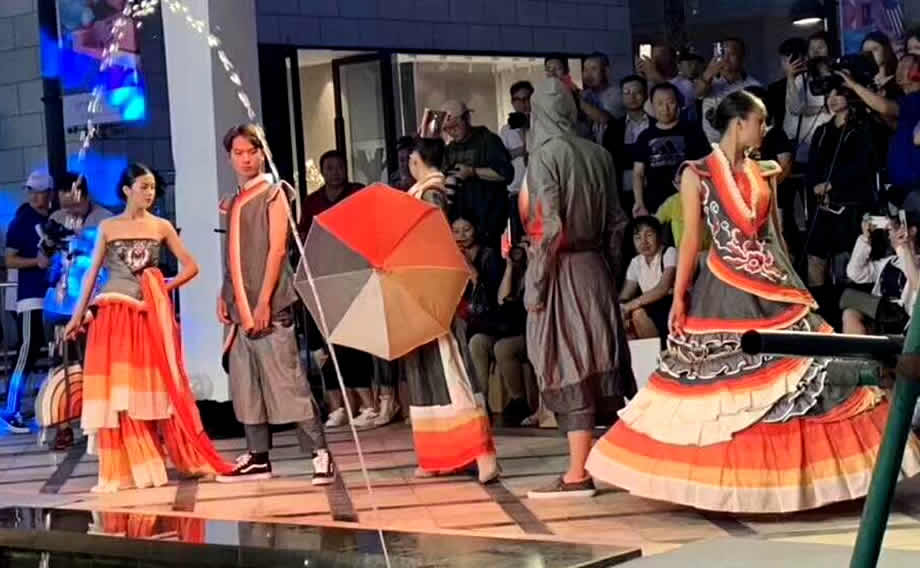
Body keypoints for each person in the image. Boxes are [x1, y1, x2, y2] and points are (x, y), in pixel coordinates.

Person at [585, 90, 920, 513]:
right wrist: (679, 296)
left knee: (802, 374)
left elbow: (776, 235)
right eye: (760, 121)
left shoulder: (765, 171)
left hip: (773, 286)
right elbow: (691, 241)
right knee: (727, 389)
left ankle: (805, 480)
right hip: (723, 290)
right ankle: (732, 486)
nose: (765, 129)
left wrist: (794, 284)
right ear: (738, 123)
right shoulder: (698, 174)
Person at [64, 163, 232, 493]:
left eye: (153, 187)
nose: (150, 193)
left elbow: (191, 267)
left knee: (148, 388)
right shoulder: (109, 227)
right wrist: (77, 315)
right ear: (127, 190)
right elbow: (92, 275)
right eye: (144, 187)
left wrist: (161, 287)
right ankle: (126, 467)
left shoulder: (160, 226)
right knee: (118, 391)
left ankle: (152, 458)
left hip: (145, 315)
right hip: (112, 313)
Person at [522, 78, 635, 499]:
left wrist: (535, 282)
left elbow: (550, 225)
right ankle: (597, 465)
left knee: (566, 361)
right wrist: (611, 271)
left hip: (561, 269)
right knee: (596, 361)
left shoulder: (544, 156)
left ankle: (576, 473)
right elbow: (618, 222)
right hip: (596, 269)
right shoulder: (599, 154)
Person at [217, 124, 334, 485]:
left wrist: (264, 301)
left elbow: (277, 250)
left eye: (251, 152)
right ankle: (258, 456)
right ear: (230, 157)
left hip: (270, 303)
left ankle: (319, 453)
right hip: (239, 305)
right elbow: (234, 253)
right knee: (246, 383)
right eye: (238, 153)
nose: (246, 159)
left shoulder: (274, 193)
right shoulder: (235, 200)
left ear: (262, 153)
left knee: (288, 381)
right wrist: (225, 292)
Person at [404, 137, 499, 484]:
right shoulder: (423, 192)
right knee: (427, 373)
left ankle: (481, 453)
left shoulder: (432, 193)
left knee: (452, 371)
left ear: (416, 160)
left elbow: (438, 241)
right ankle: (441, 455)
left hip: (435, 292)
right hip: (417, 290)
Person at [300, 150, 375, 429]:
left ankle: (367, 404)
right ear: (322, 172)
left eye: (339, 167)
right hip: (323, 278)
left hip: (354, 275)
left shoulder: (358, 193)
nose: (335, 172)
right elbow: (304, 236)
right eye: (329, 168)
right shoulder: (312, 202)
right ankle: (337, 407)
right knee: (325, 344)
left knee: (353, 342)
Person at [2, 170, 54, 433]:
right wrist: (37, 262)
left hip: (53, 295)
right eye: (31, 191)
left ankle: (51, 404)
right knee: (27, 350)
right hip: (31, 295)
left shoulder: (53, 218)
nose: (35, 196)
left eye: (39, 191)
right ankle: (10, 410)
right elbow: (9, 259)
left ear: (49, 193)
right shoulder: (22, 221)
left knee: (49, 350)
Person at [441, 99, 515, 249]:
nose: (452, 132)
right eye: (447, 129)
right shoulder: (450, 149)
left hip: (488, 219)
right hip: (461, 225)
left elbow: (506, 174)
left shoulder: (488, 140)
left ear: (466, 118)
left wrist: (472, 172)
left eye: (455, 126)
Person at [632, 83, 710, 217]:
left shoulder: (693, 131)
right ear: (652, 106)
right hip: (655, 206)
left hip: (689, 202)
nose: (665, 108)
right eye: (660, 103)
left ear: (678, 103)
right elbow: (638, 173)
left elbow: (706, 164)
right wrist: (639, 202)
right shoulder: (645, 136)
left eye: (670, 102)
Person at [843, 213, 920, 334]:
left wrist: (902, 249)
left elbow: (916, 283)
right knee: (849, 313)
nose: (889, 235)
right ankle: (858, 346)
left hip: (902, 318)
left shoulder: (916, 263)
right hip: (880, 312)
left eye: (891, 229)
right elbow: (854, 273)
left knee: (849, 298)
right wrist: (865, 238)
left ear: (912, 230)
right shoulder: (890, 261)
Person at [620, 216, 676, 348]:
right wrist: (621, 310)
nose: (644, 242)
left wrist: (630, 306)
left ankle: (660, 352)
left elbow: (663, 288)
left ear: (659, 236)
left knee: (638, 313)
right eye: (638, 238)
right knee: (625, 318)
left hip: (671, 306)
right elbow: (625, 295)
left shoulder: (669, 252)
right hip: (649, 307)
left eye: (649, 235)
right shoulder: (636, 262)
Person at [603, 75, 653, 216]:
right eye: (627, 93)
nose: (632, 97)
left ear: (646, 94)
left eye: (637, 92)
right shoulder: (613, 128)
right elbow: (609, 162)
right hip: (622, 193)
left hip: (653, 190)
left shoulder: (656, 124)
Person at [697, 38, 762, 142]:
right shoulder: (709, 82)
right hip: (710, 146)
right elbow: (697, 93)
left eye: (732, 54)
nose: (725, 59)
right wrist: (709, 72)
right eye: (723, 54)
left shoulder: (753, 85)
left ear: (742, 57)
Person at [500, 81, 533, 242]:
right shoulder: (507, 130)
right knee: (519, 243)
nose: (523, 103)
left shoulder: (542, 124)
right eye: (518, 100)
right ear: (513, 102)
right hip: (516, 192)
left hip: (540, 190)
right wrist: (521, 150)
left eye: (526, 98)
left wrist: (527, 128)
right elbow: (502, 158)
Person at [580, 52, 626, 143]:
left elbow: (608, 121)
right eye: (585, 70)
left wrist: (580, 102)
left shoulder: (617, 93)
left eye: (593, 69)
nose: (588, 74)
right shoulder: (584, 95)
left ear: (606, 71)